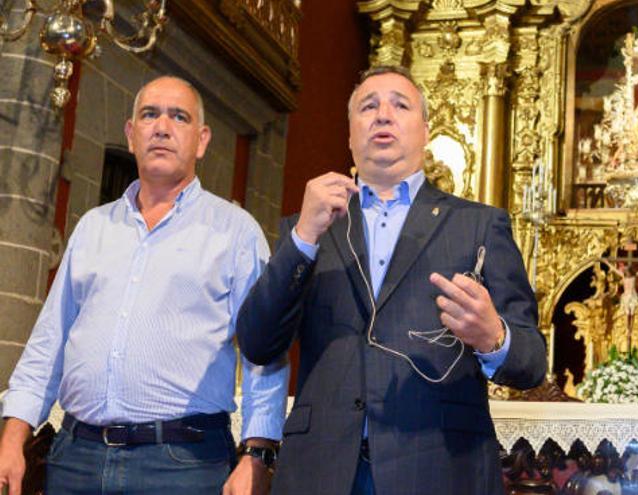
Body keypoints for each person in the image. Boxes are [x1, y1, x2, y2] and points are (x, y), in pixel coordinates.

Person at [236, 66, 547, 495]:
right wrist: (303, 238)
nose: (383, 115)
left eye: (400, 105)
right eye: (368, 106)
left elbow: (532, 363)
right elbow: (257, 343)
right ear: (350, 133)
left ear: (424, 130)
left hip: (439, 469)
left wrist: (494, 337)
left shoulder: (478, 225)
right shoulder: (309, 226)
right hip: (321, 472)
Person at [0, 76, 289, 495]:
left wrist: (257, 455)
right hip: (75, 458)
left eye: (179, 116)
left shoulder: (235, 232)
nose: (162, 126)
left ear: (202, 140)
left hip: (181, 465)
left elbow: (267, 352)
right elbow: (49, 342)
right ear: (131, 134)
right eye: (149, 114)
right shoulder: (93, 227)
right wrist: (12, 438)